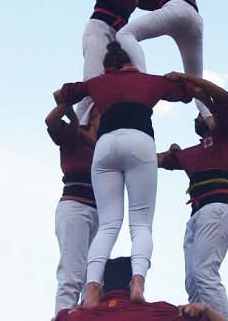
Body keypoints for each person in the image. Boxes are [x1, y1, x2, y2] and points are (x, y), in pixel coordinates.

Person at [54, 42, 196, 308]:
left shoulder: (98, 83)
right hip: (139, 141)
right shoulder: (148, 80)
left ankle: (93, 290)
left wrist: (74, 120)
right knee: (141, 225)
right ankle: (138, 282)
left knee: (108, 224)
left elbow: (60, 94)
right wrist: (180, 78)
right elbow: (188, 92)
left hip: (105, 146)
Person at [158, 73, 228, 321]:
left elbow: (224, 98)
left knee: (203, 271)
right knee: (193, 279)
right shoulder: (195, 151)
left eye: (199, 113)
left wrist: (190, 83)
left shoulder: (225, 134)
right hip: (200, 213)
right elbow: (158, 160)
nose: (196, 118)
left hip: (217, 208)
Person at [112, 0, 212, 123]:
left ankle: (142, 79)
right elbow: (145, 2)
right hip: (194, 20)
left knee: (125, 34)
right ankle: (211, 119)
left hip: (176, 10)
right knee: (195, 81)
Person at [74, 0, 157, 125]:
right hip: (100, 27)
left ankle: (126, 120)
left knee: (131, 76)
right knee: (94, 80)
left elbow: (154, 3)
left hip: (120, 35)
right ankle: (81, 127)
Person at [46, 103, 101, 314]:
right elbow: (51, 120)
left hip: (98, 214)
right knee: (72, 273)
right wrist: (69, 102)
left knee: (94, 280)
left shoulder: (109, 145)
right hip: (76, 206)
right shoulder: (75, 135)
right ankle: (63, 316)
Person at [54, 257, 226, 320]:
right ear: (133, 284)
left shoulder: (75, 317)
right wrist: (205, 308)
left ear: (102, 289)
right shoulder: (162, 312)